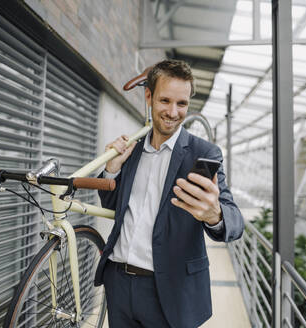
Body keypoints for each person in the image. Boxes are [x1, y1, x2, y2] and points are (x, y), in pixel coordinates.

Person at [94, 60, 244, 328]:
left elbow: (235, 220)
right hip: (118, 282)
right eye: (165, 101)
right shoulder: (133, 150)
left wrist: (215, 215)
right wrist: (111, 170)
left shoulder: (204, 154)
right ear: (149, 96)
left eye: (182, 104)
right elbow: (114, 205)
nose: (173, 112)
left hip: (169, 291)